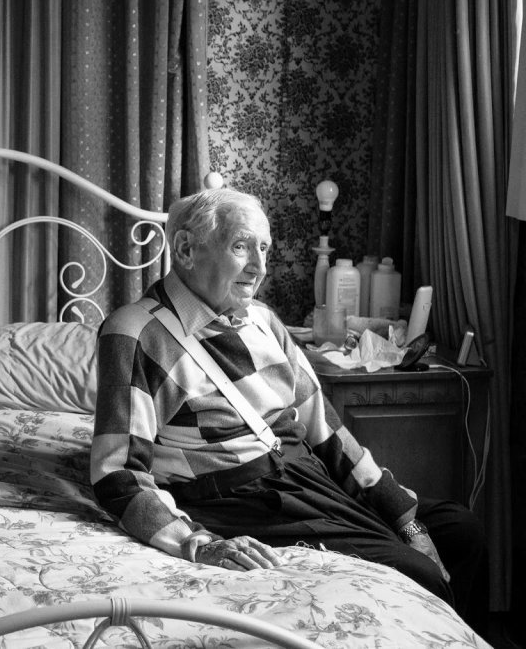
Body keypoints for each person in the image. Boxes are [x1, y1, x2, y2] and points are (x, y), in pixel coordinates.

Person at [90, 187, 488, 634]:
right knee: (419, 573)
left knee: (461, 531)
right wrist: (197, 543)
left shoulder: (264, 320)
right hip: (245, 500)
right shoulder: (135, 333)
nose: (259, 268)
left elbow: (327, 431)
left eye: (264, 248)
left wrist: (403, 515)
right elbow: (118, 473)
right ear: (185, 249)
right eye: (241, 247)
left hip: (307, 477)